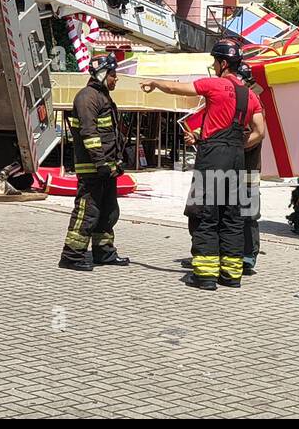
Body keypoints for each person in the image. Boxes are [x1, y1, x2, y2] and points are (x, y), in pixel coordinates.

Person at [141, 40, 265, 291]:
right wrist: (238, 148)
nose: (213, 66)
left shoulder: (215, 84)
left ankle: (205, 276)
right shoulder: (249, 94)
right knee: (232, 217)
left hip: (213, 157)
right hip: (237, 160)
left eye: (215, 62)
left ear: (223, 64)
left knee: (207, 214)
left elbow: (178, 89)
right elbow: (260, 131)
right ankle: (231, 275)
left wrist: (155, 83)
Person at [59, 53, 131, 271]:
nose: (116, 79)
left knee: (108, 211)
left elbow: (110, 133)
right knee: (87, 211)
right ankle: (72, 256)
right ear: (102, 74)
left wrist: (115, 162)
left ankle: (104, 252)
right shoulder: (87, 98)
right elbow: (90, 134)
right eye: (113, 74)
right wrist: (100, 163)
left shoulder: (102, 96)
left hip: (107, 167)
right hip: (93, 167)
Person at [235, 62, 264, 276]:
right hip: (241, 166)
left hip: (248, 167)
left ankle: (247, 256)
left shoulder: (251, 99)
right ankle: (241, 254)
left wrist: (232, 147)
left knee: (248, 213)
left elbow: (252, 134)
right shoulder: (246, 96)